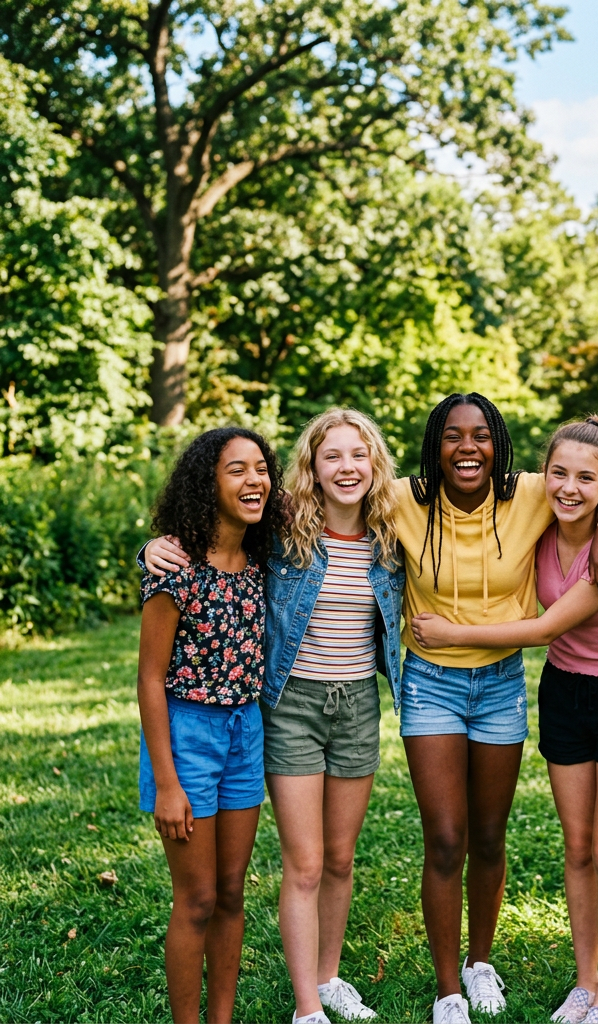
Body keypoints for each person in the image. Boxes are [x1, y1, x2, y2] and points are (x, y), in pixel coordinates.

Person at [143, 409, 406, 1024]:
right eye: (331, 455)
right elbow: (212, 519)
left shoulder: (393, 529)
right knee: (283, 869)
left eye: (359, 454)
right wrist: (151, 548)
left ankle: (324, 978)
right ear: (311, 466)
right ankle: (305, 1006)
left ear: (377, 463)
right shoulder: (284, 532)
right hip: (270, 711)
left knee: (322, 864)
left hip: (338, 709)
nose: (347, 467)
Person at [395, 395, 598, 1024]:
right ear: (435, 444)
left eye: (481, 435)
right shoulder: (403, 499)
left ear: (499, 445)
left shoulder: (527, 492)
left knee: (489, 834)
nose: (468, 448)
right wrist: (165, 547)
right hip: (431, 683)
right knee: (446, 838)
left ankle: (481, 964)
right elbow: (318, 503)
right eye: (453, 436)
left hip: (501, 684)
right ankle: (448, 988)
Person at [137, 427, 286, 1024]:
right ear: (208, 483)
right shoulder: (174, 567)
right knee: (196, 900)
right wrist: (169, 784)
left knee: (230, 895)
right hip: (187, 735)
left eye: (261, 469)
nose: (254, 481)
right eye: (236, 470)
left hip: (245, 732)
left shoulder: (263, 559)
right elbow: (149, 680)